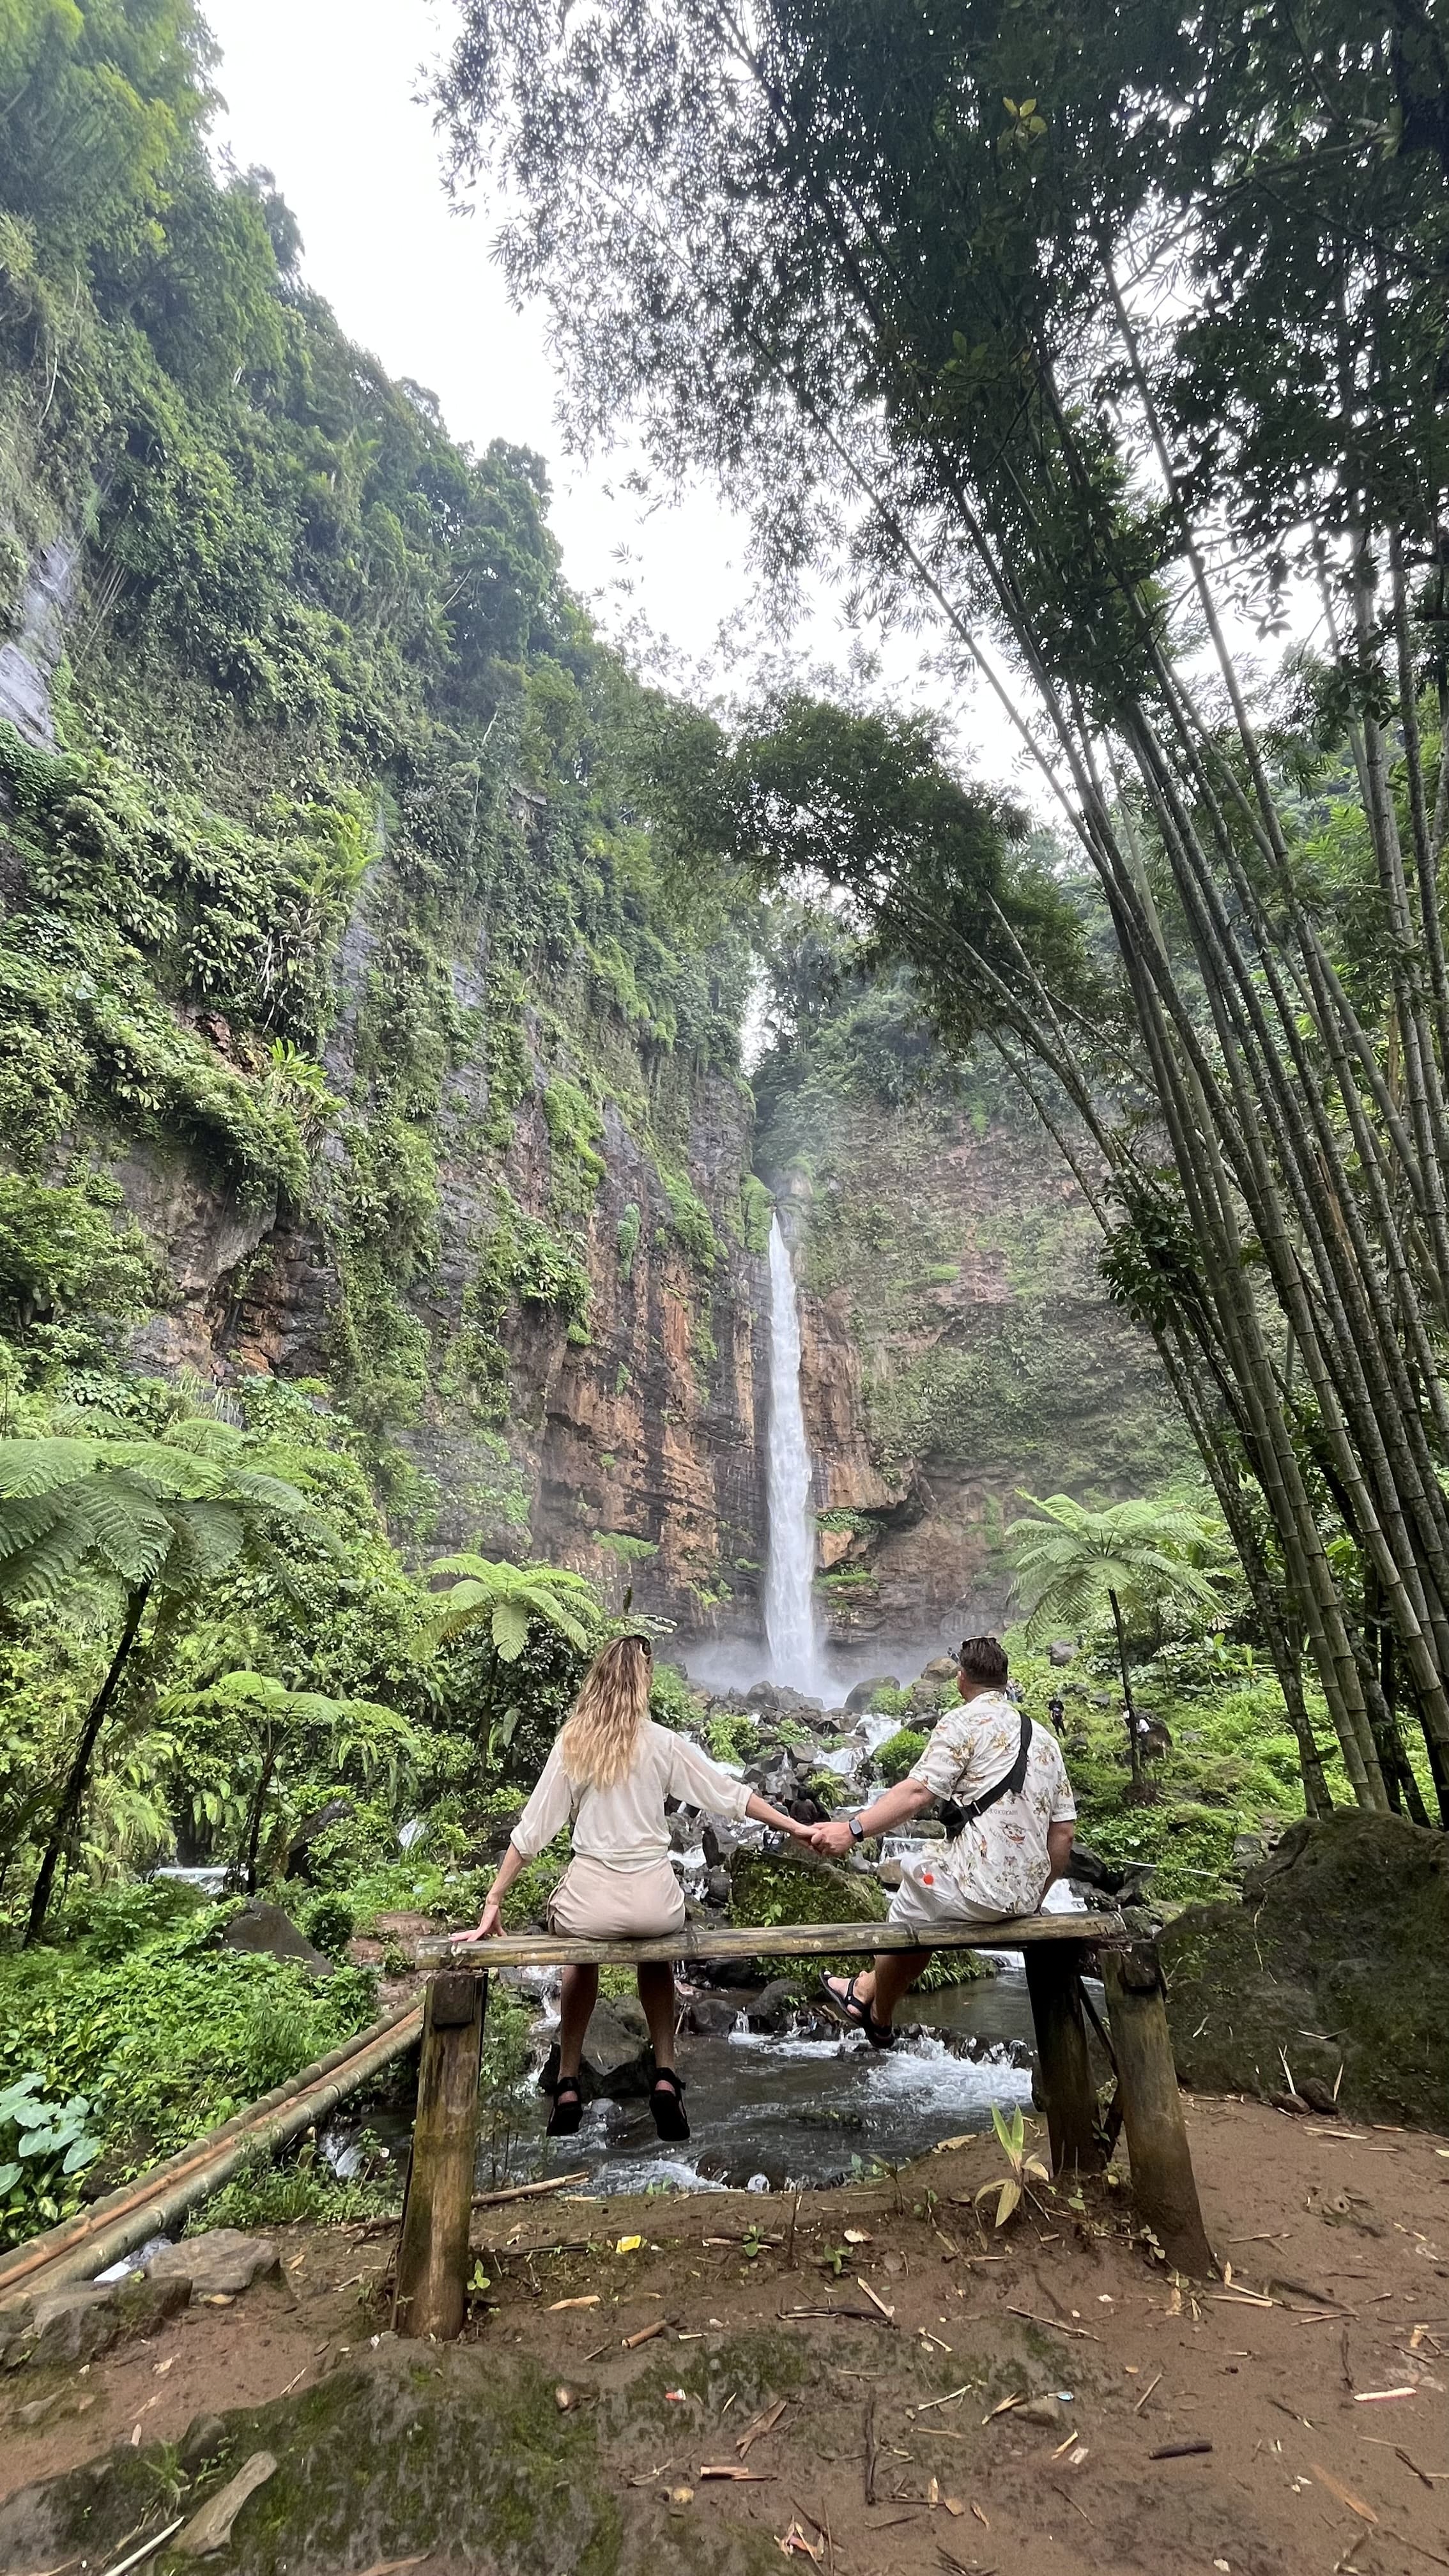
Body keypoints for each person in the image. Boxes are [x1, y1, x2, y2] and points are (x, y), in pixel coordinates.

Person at [455, 1634, 809, 2142]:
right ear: (644, 1682)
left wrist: (493, 1901)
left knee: (580, 1957)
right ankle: (665, 2073)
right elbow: (728, 1795)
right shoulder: (664, 1743)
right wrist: (795, 1827)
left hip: (590, 1906)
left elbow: (532, 1831)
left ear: (599, 1679)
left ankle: (570, 2080)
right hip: (654, 1905)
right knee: (655, 1956)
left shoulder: (576, 1741)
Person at [809, 1634, 1076, 2048]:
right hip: (1025, 1901)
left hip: (978, 1893)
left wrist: (852, 1829)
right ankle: (864, 1995)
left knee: (915, 1878)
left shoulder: (961, 1723)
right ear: (1005, 1681)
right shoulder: (1043, 1738)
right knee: (926, 1891)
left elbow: (917, 1795)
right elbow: (1064, 1835)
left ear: (960, 1679)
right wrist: (1037, 1898)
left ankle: (872, 2005)